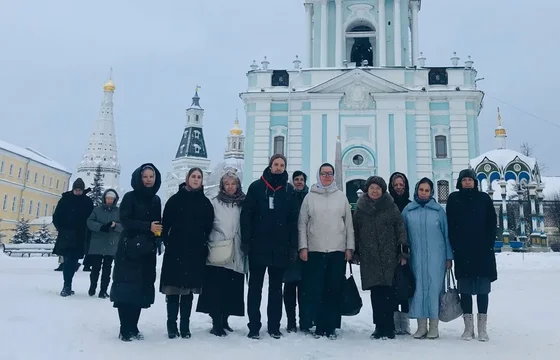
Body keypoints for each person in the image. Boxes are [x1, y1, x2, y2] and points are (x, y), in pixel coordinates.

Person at [241, 154, 299, 339]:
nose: (279, 168)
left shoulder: (289, 191)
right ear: (270, 165)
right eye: (276, 164)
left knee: (275, 290)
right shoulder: (257, 187)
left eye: (282, 165)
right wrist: (246, 241)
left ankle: (274, 325)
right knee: (255, 288)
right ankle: (254, 326)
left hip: (279, 248)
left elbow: (292, 221)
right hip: (258, 246)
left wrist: (292, 246)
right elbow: (246, 216)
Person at [298, 163, 354, 339]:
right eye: (324, 174)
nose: (327, 177)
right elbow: (302, 224)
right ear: (319, 175)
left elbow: (349, 224)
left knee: (333, 288)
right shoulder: (310, 198)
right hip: (316, 249)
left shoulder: (341, 197)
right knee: (317, 289)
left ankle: (331, 325)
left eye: (330, 174)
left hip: (337, 250)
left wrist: (349, 247)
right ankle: (318, 323)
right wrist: (303, 247)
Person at [110, 163, 162, 342]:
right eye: (145, 176)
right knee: (126, 288)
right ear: (139, 178)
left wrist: (158, 236)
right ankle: (125, 328)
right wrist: (147, 226)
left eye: (151, 176)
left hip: (147, 249)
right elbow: (125, 220)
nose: (148, 180)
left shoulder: (156, 200)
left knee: (140, 289)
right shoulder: (130, 197)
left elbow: (158, 223)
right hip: (129, 248)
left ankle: (134, 326)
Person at [160, 167, 214, 339]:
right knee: (174, 290)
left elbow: (208, 226)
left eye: (199, 177)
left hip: (195, 252)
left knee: (189, 291)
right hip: (176, 251)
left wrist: (201, 242)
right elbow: (165, 224)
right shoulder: (175, 200)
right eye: (193, 176)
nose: (196, 179)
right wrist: (169, 242)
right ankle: (171, 324)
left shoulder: (205, 203)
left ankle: (185, 325)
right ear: (187, 178)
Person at [353, 176, 408, 340]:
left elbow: (400, 229)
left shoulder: (390, 207)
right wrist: (355, 251)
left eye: (378, 188)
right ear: (367, 190)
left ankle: (389, 326)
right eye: (372, 188)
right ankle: (379, 326)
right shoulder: (360, 209)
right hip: (369, 257)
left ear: (382, 190)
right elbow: (355, 231)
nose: (375, 191)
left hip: (388, 256)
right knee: (375, 294)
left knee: (388, 293)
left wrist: (402, 252)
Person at [446, 169, 497, 342]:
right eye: (464, 180)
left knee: (483, 289)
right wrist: (455, 246)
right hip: (463, 251)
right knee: (465, 290)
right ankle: (468, 328)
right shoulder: (454, 199)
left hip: (482, 251)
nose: (467, 182)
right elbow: (450, 224)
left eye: (470, 179)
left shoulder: (483, 198)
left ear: (475, 182)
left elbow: (492, 222)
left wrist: (488, 243)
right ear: (460, 182)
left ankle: (482, 328)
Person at [197, 171, 247, 337]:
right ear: (222, 186)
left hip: (237, 250)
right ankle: (216, 321)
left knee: (232, 288)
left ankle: (225, 318)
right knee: (216, 288)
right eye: (227, 184)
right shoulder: (215, 203)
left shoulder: (243, 203)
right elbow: (208, 223)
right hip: (219, 248)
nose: (231, 187)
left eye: (233, 184)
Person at [402, 178, 453, 339]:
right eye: (421, 190)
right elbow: (402, 235)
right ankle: (421, 326)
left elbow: (446, 235)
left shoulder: (438, 211)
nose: (423, 193)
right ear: (416, 190)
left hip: (435, 258)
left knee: (433, 290)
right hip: (415, 258)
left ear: (431, 192)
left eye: (427, 190)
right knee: (418, 290)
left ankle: (434, 326)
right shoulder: (408, 210)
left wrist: (448, 257)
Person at [52, 178, 94, 297]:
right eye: (76, 190)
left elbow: (90, 218)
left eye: (80, 190)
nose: (78, 192)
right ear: (73, 189)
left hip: (80, 236)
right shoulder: (65, 199)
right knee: (68, 260)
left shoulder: (87, 202)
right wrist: (61, 229)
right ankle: (66, 286)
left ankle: (68, 285)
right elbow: (57, 216)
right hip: (66, 235)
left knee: (73, 261)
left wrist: (87, 232)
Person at [283, 170, 308, 333]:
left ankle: (304, 320)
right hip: (290, 247)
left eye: (301, 179)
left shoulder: (310, 197)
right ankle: (291, 320)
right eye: (296, 179)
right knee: (290, 287)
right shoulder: (287, 196)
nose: (299, 182)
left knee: (305, 289)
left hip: (307, 247)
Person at [86, 189, 122, 298]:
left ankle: (103, 290)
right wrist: (101, 227)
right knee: (95, 268)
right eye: (108, 198)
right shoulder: (97, 210)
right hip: (98, 243)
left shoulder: (119, 212)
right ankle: (92, 287)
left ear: (115, 200)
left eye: (112, 198)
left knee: (107, 269)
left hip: (111, 243)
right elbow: (89, 222)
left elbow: (124, 225)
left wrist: (115, 226)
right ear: (104, 199)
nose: (109, 200)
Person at [388, 172, 412, 334]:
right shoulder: (387, 205)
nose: (398, 188)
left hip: (407, 251)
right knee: (392, 287)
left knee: (405, 286)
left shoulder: (410, 205)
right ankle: (395, 322)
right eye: (396, 185)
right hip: (389, 252)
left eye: (401, 185)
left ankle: (405, 322)